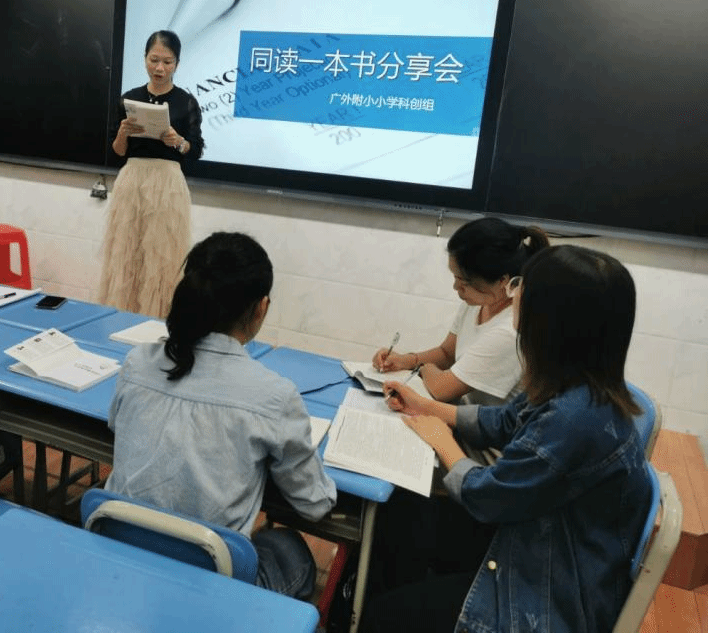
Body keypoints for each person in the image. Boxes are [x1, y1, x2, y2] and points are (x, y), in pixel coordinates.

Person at [363, 245, 651, 633]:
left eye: (521, 288)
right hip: (537, 538)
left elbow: (489, 496)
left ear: (549, 320)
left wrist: (441, 439)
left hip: (543, 590)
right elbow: (504, 421)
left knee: (385, 614)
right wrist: (425, 406)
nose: (513, 295)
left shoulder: (573, 419)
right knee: (401, 512)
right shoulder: (578, 383)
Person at [105, 231, 336, 598]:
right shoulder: (275, 396)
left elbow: (115, 426)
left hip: (121, 556)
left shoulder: (136, 362)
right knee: (291, 550)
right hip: (207, 583)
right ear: (261, 308)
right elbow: (314, 504)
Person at [373, 217, 550, 406]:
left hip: (481, 422)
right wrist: (404, 360)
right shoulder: (480, 300)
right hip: (462, 410)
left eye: (463, 281)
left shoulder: (511, 330)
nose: (455, 287)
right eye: (455, 277)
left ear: (502, 281)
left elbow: (441, 390)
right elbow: (446, 353)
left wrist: (422, 367)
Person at [98, 29, 205, 318]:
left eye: (167, 62)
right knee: (126, 251)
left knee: (162, 256)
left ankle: (158, 320)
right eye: (154, 60)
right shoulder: (129, 99)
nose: (160, 68)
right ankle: (120, 316)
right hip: (132, 178)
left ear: (177, 63)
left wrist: (178, 141)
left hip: (168, 182)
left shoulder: (186, 102)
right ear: (145, 58)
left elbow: (195, 150)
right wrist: (123, 133)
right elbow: (117, 152)